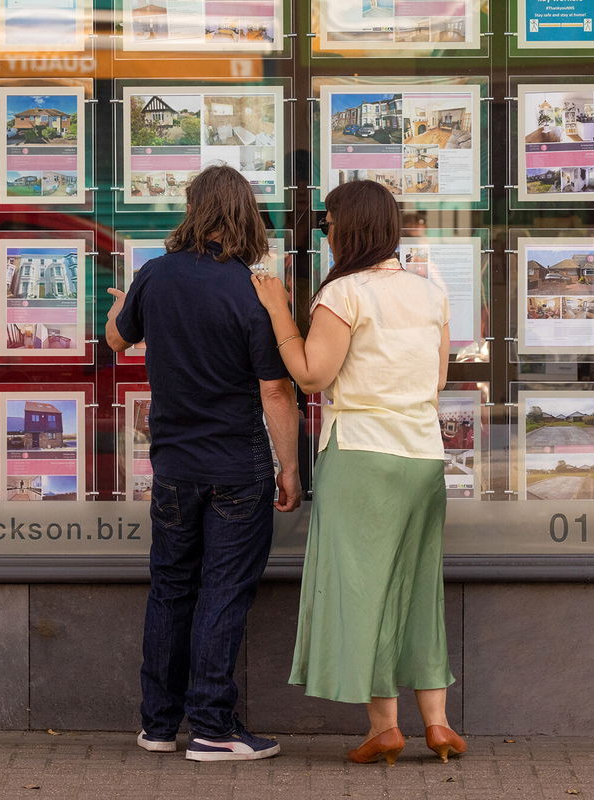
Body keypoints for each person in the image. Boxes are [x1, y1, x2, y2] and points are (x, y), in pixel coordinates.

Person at [249, 180, 465, 766]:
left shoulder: (344, 293)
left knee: (363, 591)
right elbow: (439, 380)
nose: (325, 234)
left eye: (327, 226)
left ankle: (385, 728)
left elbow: (312, 375)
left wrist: (276, 310)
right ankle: (439, 724)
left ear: (348, 229)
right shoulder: (430, 293)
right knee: (420, 588)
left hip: (362, 452)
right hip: (422, 454)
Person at [105, 165, 302, 762]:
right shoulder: (252, 290)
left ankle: (159, 725)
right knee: (223, 590)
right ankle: (214, 727)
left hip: (173, 464)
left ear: (192, 209)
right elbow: (275, 391)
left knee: (170, 587)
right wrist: (288, 468)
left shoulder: (156, 274)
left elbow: (116, 341)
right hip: (235, 466)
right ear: (245, 216)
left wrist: (123, 307)